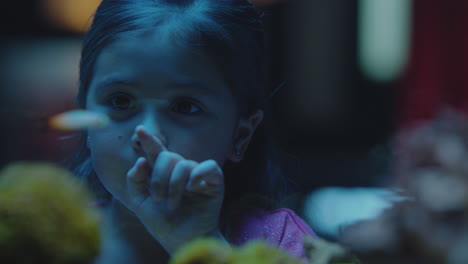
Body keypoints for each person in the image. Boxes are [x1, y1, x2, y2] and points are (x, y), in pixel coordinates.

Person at [67, 0, 315, 263]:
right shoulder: (54, 241)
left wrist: (200, 243)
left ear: (240, 136)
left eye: (185, 107)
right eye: (120, 101)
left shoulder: (278, 245)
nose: (148, 134)